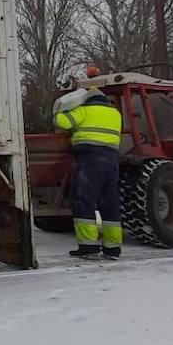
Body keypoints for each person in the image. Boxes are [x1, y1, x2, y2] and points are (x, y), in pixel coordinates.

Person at [54, 83, 123, 259]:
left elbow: (61, 122)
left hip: (89, 160)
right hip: (111, 161)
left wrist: (59, 109)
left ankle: (89, 247)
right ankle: (113, 248)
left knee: (84, 201)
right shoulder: (115, 113)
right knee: (110, 203)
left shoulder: (84, 111)